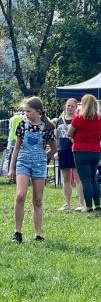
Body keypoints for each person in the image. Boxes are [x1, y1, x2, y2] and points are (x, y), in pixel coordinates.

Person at [8, 97, 57, 243]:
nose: (26, 114)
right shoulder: (22, 124)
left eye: (28, 111)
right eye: (25, 111)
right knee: (20, 195)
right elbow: (16, 147)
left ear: (38, 111)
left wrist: (44, 157)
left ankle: (38, 234)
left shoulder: (48, 127)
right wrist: (11, 168)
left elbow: (54, 148)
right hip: (23, 161)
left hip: (39, 164)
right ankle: (17, 232)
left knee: (37, 200)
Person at [67, 94, 101, 213]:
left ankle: (88, 206)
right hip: (96, 151)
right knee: (93, 179)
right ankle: (97, 204)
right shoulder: (100, 119)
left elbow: (69, 134)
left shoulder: (78, 119)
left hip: (80, 151)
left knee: (86, 180)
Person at [55, 98, 84, 212]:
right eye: (68, 105)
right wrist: (57, 150)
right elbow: (56, 136)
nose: (70, 108)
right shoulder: (59, 120)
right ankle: (67, 203)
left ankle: (80, 203)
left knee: (78, 178)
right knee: (66, 178)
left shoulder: (78, 120)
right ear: (65, 106)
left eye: (72, 106)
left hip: (75, 150)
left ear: (76, 107)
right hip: (63, 150)